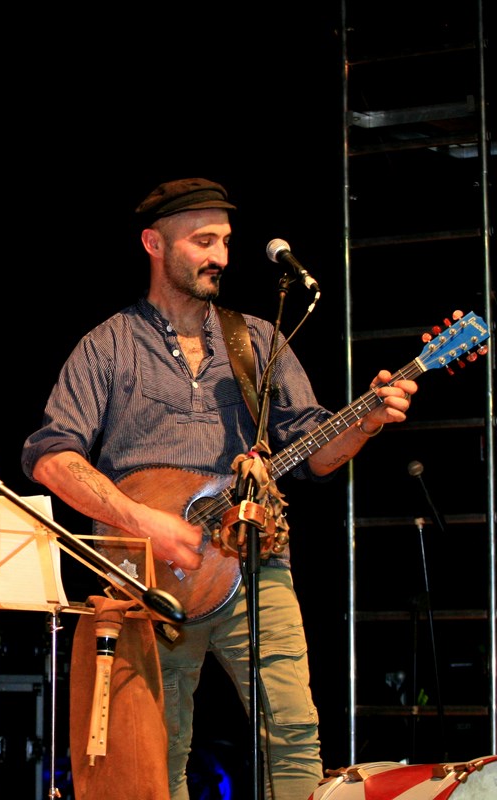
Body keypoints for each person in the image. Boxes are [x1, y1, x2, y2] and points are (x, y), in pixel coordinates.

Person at [20, 178, 418, 800]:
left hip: (255, 559)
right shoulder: (108, 346)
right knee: (164, 745)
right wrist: (139, 519)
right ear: (155, 243)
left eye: (226, 241)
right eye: (203, 241)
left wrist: (365, 421)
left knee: (294, 730)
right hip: (151, 579)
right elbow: (49, 456)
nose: (221, 257)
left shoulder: (256, 339)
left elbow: (317, 454)